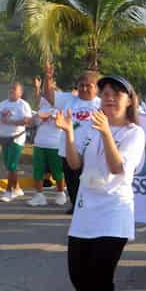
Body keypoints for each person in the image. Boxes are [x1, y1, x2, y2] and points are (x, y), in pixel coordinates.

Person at [56, 75, 145, 291]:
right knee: (78, 275)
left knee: (100, 277)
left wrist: (107, 133)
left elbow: (118, 167)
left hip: (114, 212)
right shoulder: (92, 127)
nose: (109, 97)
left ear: (129, 99)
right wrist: (69, 132)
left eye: (117, 93)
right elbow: (74, 163)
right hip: (85, 210)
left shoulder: (134, 133)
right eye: (105, 92)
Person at [44, 68, 101, 214]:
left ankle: (88, 206)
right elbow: (50, 97)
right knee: (71, 180)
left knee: (87, 182)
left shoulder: (100, 104)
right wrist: (48, 77)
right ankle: (76, 205)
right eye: (81, 85)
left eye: (89, 85)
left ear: (96, 88)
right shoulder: (69, 99)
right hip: (68, 149)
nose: (84, 88)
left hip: (90, 152)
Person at [28, 75, 67, 207]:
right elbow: (33, 120)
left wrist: (46, 115)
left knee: (57, 171)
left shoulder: (60, 107)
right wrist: (40, 115)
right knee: (38, 171)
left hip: (55, 145)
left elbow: (59, 122)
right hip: (39, 143)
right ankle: (39, 196)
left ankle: (61, 193)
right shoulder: (42, 106)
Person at [0, 82, 33, 202]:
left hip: (16, 137)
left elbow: (28, 121)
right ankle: (17, 188)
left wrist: (10, 122)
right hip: (3, 137)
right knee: (8, 165)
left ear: (20, 92)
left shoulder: (23, 105)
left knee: (12, 165)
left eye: (14, 89)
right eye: (10, 89)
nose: (11, 91)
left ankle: (9, 191)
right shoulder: (2, 104)